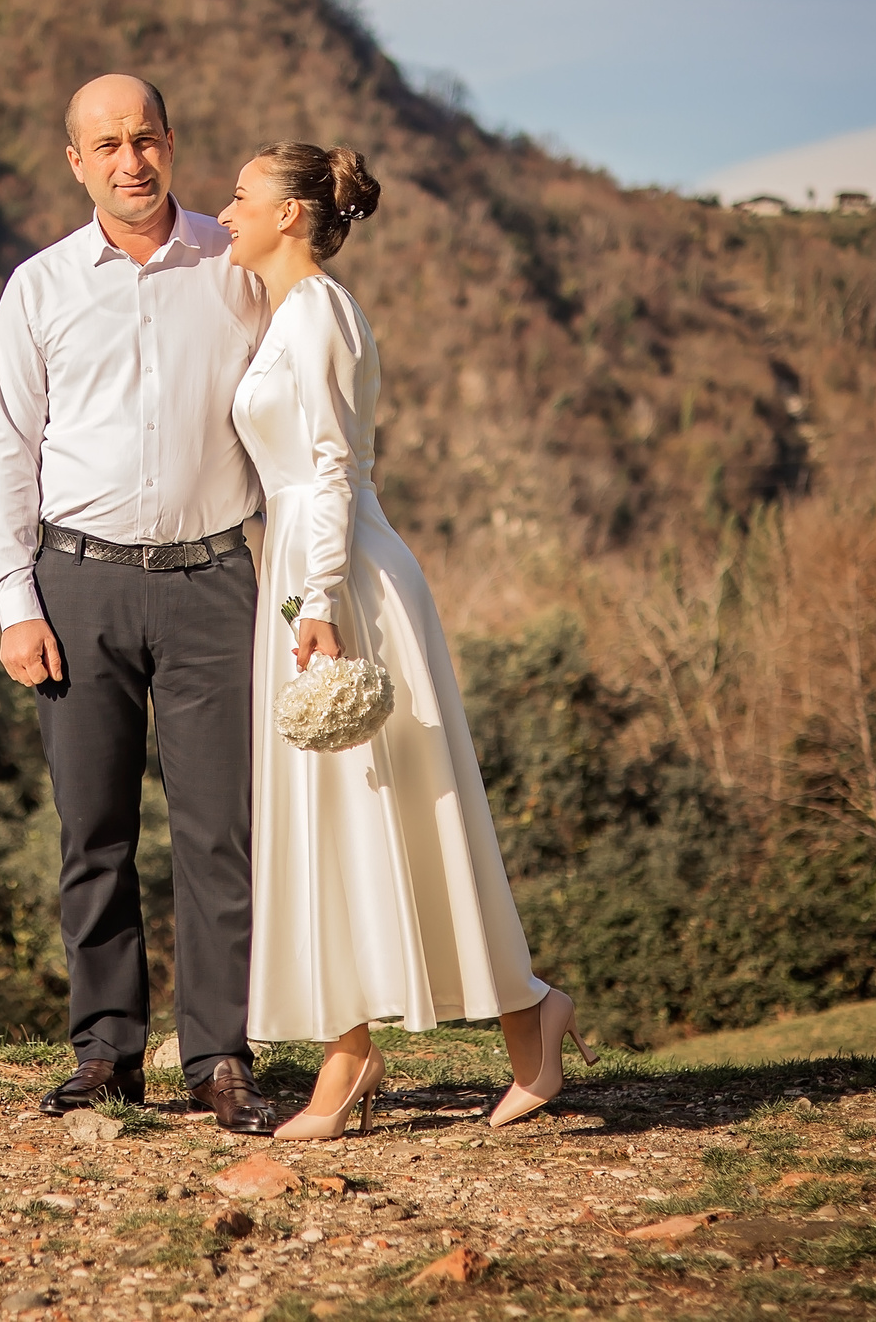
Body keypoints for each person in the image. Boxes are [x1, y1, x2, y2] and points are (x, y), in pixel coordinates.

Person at [216, 142, 590, 1140]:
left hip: (342, 577)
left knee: (401, 811)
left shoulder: (320, 312)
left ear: (290, 215)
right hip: (301, 569)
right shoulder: (283, 314)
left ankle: (517, 1021)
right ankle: (360, 1050)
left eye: (242, 196)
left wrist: (320, 601)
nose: (225, 211)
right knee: (333, 817)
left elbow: (334, 465)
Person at [0, 73, 279, 1134]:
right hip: (78, 585)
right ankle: (105, 1052)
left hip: (214, 584)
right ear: (77, 162)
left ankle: (219, 1057)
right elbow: (7, 453)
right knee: (93, 830)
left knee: (219, 833)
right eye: (105, 145)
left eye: (143, 138)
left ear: (170, 142)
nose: (129, 161)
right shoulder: (39, 287)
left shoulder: (236, 267)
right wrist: (15, 600)